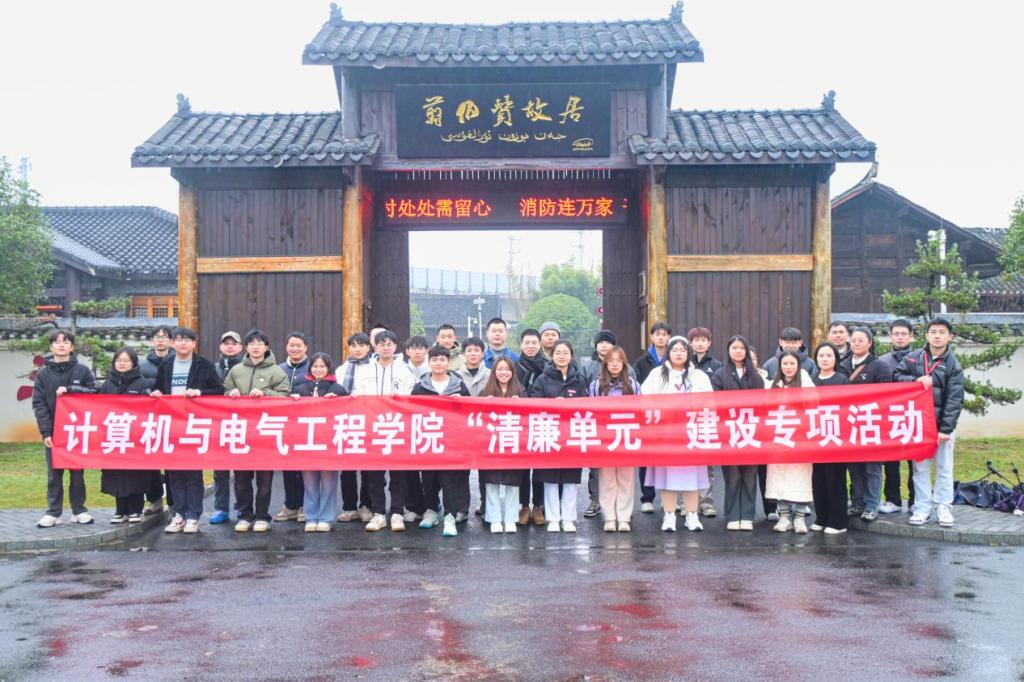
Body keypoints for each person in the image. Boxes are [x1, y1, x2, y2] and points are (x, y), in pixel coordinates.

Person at [151, 327, 223, 533]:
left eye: (187, 340)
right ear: (173, 343)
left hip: (194, 425)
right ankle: (179, 514)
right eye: (179, 339)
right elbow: (158, 388)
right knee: (174, 474)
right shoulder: (166, 365)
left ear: (194, 343)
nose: (183, 343)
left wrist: (200, 392)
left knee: (192, 473)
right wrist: (156, 393)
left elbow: (219, 391)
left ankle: (193, 516)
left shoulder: (204, 365)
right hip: (172, 426)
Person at [895, 318, 964, 528]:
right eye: (933, 331)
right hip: (918, 425)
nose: (937, 336)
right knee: (920, 469)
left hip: (941, 427)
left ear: (950, 336)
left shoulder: (952, 364)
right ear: (926, 335)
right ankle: (922, 507)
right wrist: (914, 381)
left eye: (942, 332)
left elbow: (955, 399)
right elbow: (896, 376)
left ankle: (943, 507)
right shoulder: (913, 357)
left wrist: (946, 429)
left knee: (944, 468)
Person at [641, 337, 712, 532]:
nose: (678, 353)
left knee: (692, 477)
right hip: (666, 434)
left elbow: (710, 401)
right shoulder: (657, 374)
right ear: (668, 353)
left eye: (682, 350)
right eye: (674, 350)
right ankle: (669, 515)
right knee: (667, 477)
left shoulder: (698, 376)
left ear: (688, 353)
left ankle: (692, 515)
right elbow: (644, 400)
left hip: (691, 433)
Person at [224, 329, 291, 533]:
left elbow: (285, 396)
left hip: (265, 431)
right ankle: (245, 515)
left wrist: (265, 392)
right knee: (241, 480)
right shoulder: (236, 370)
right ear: (245, 347)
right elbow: (224, 393)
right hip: (241, 431)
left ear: (266, 347)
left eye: (260, 343)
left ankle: (262, 516)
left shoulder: (277, 371)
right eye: (251, 343)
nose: (255, 347)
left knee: (264, 480)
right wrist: (230, 392)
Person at [353, 329, 416, 532]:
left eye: (389, 344)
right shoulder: (365, 370)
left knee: (398, 475)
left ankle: (397, 512)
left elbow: (411, 397)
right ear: (375, 346)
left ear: (396, 346)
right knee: (375, 474)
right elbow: (358, 394)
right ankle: (379, 513)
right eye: (382, 344)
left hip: (397, 428)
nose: (386, 348)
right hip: (372, 429)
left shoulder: (405, 371)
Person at [32, 330, 97, 528]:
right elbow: (39, 404)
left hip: (77, 431)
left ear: (72, 346)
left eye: (66, 342)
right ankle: (53, 512)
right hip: (54, 432)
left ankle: (79, 510)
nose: (61, 345)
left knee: (77, 474)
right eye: (57, 342)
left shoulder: (82, 371)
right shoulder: (43, 374)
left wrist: (71, 390)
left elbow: (94, 391)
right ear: (51, 346)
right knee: (54, 474)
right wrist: (46, 432)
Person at [411, 345, 471, 537]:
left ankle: (450, 515)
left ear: (448, 362)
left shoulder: (459, 385)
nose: (438, 363)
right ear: (429, 363)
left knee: (449, 478)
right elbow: (411, 411)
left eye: (442, 359)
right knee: (428, 477)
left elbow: (470, 411)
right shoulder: (420, 387)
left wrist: (461, 401)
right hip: (428, 438)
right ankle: (430, 511)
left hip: (452, 440)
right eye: (435, 359)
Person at [528, 340, 588, 532]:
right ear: (551, 356)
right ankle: (553, 518)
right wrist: (554, 403)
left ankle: (569, 518)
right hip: (550, 432)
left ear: (571, 356)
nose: (562, 356)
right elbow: (534, 403)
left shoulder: (578, 379)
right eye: (558, 353)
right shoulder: (542, 378)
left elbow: (587, 405)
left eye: (565, 353)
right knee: (550, 478)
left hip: (572, 433)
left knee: (570, 478)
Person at [711, 335, 765, 531]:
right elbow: (715, 402)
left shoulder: (755, 375)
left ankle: (747, 516)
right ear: (728, 350)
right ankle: (733, 515)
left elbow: (762, 403)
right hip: (730, 431)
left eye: (741, 348)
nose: (738, 351)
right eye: (734, 348)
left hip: (751, 431)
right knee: (732, 476)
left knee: (750, 475)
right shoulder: (720, 374)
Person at [291, 352, 348, 532]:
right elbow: (291, 414)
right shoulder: (300, 388)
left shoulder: (338, 388)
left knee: (329, 482)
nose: (318, 369)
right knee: (309, 482)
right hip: (306, 442)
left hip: (329, 442)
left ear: (329, 368)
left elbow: (348, 412)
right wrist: (294, 401)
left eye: (322, 366)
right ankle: (311, 517)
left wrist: (337, 401)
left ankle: (326, 518)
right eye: (315, 366)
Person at [840, 326, 892, 522]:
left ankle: (872, 506)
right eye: (853, 340)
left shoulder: (879, 366)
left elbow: (886, 396)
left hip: (871, 423)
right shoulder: (843, 365)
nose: (856, 343)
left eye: (861, 340)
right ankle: (857, 503)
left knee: (872, 467)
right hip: (849, 424)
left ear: (869, 343)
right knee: (854, 467)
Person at [579, 329, 628, 519]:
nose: (604, 345)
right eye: (601, 342)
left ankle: (622, 505)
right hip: (597, 425)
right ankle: (595, 500)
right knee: (596, 466)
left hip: (621, 425)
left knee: (622, 467)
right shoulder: (587, 366)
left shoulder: (627, 370)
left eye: (608, 342)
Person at [764, 350, 815, 533]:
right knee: (779, 477)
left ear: (798, 365)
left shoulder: (805, 380)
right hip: (779, 438)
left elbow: (814, 404)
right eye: (785, 364)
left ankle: (800, 518)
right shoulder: (773, 383)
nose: (788, 367)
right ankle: (784, 516)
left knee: (801, 477)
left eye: (792, 363)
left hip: (800, 438)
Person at [98, 347, 151, 524]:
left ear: (133, 363)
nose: (122, 363)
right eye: (119, 360)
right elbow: (97, 407)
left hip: (135, 437)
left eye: (126, 360)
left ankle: (136, 509)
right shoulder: (107, 384)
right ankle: (120, 510)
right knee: (116, 474)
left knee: (135, 474)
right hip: (114, 435)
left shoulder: (143, 383)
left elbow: (148, 408)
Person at [591, 346, 641, 532]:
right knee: (607, 478)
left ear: (624, 363)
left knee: (626, 478)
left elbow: (640, 409)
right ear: (605, 363)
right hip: (605, 437)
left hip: (627, 435)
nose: (614, 364)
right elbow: (591, 411)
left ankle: (624, 517)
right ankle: (610, 517)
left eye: (618, 361)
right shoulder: (596, 385)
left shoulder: (633, 385)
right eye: (611, 361)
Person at [478, 357, 526, 534]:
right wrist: (485, 404)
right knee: (491, 483)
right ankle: (494, 518)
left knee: (513, 484)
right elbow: (476, 417)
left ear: (512, 372)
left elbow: (529, 416)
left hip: (513, 443)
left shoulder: (521, 390)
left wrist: (521, 404)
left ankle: (511, 518)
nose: (503, 372)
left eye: (507, 369)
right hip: (491, 444)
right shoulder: (485, 391)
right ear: (494, 372)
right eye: (500, 369)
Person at [810, 342, 850, 534]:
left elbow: (847, 407)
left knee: (835, 479)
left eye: (828, 356)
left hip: (835, 437)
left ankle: (838, 522)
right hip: (815, 437)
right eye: (821, 356)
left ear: (836, 358)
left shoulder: (842, 380)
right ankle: (821, 517)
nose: (824, 359)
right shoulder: (811, 379)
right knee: (818, 478)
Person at [877, 318, 917, 513]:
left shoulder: (920, 358)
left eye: (904, 334)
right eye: (896, 334)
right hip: (890, 415)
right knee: (891, 460)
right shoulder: (882, 361)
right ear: (890, 336)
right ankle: (892, 499)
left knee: (915, 461)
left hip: (913, 414)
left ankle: (915, 500)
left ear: (911, 336)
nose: (900, 337)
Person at [634, 322, 672, 513]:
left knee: (668, 456)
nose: (661, 337)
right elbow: (638, 386)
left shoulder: (674, 359)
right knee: (647, 456)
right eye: (657, 334)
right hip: (648, 416)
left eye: (664, 334)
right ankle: (647, 497)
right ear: (651, 337)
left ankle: (668, 496)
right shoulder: (642, 361)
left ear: (669, 337)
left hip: (670, 416)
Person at [275, 331, 312, 524]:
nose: (295, 349)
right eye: (292, 345)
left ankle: (305, 505)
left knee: (305, 467)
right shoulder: (278, 369)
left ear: (306, 348)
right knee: (288, 466)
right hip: (284, 424)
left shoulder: (314, 368)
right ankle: (290, 505)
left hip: (308, 425)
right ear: (286, 347)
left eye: (299, 345)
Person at [209, 330, 244, 525]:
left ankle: (241, 506)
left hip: (240, 423)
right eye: (226, 343)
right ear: (220, 346)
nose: (230, 347)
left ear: (240, 347)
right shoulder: (212, 368)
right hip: (217, 423)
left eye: (234, 343)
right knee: (220, 470)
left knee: (241, 471)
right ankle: (221, 508)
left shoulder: (246, 368)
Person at [688, 327, 723, 519]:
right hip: (687, 420)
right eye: (696, 340)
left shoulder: (717, 365)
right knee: (686, 463)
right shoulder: (684, 363)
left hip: (708, 419)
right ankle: (687, 502)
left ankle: (707, 502)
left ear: (709, 343)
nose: (700, 343)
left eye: (704, 340)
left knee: (707, 464)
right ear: (690, 343)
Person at [139, 325, 174, 516]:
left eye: (164, 336)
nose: (160, 340)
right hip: (149, 419)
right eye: (157, 337)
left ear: (171, 341)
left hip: (174, 419)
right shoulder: (141, 365)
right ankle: (155, 500)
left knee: (172, 463)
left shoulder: (178, 363)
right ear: (152, 340)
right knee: (150, 463)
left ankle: (174, 503)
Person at [338, 332, 373, 522]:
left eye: (361, 345)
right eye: (353, 346)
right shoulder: (341, 369)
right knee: (347, 468)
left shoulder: (375, 367)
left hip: (369, 423)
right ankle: (349, 507)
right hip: (346, 422)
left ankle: (366, 505)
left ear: (368, 347)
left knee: (368, 468)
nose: (357, 349)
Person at [513, 328, 547, 525]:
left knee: (541, 466)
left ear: (540, 344)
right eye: (527, 343)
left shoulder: (548, 367)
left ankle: (538, 506)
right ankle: (524, 506)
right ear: (521, 345)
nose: (531, 346)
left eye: (534, 343)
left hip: (542, 422)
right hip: (520, 423)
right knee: (523, 467)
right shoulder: (514, 367)